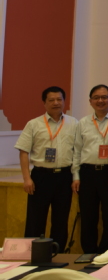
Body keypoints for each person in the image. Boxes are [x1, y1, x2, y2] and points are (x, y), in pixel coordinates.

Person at [16, 86, 78, 251]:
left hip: (64, 176)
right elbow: (23, 151)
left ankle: (57, 254)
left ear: (64, 101)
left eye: (59, 99)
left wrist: (75, 177)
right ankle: (32, 254)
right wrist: (27, 178)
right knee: (35, 219)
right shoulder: (34, 124)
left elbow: (77, 151)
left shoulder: (74, 123)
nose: (56, 103)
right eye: (51, 100)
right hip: (41, 176)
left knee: (61, 219)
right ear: (44, 103)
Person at [72, 84, 108, 253]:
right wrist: (76, 176)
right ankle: (89, 252)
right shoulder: (83, 122)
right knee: (88, 216)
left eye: (104, 97)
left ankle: (107, 252)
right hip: (87, 173)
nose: (100, 101)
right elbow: (77, 151)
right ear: (90, 101)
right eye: (96, 98)